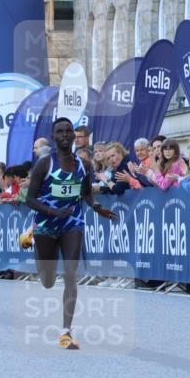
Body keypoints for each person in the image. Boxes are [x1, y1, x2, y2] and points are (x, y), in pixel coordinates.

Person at [25, 118, 118, 350]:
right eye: (61, 132)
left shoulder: (84, 165)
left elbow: (86, 193)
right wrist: (52, 210)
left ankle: (66, 332)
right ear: (54, 136)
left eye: (69, 131)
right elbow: (30, 199)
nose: (66, 135)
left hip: (72, 223)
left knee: (70, 273)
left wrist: (97, 207)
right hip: (46, 224)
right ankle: (31, 235)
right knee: (47, 281)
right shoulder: (44, 164)